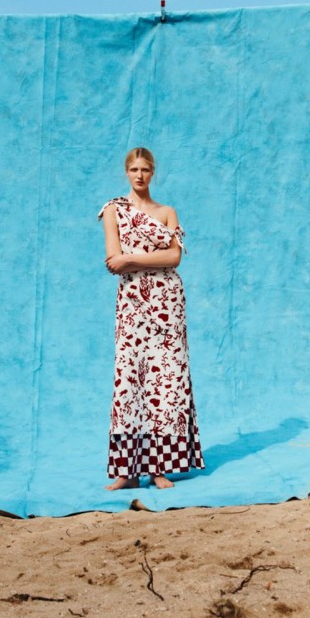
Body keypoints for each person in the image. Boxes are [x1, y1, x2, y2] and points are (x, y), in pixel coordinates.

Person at [98, 147, 205, 490]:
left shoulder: (167, 212)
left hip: (168, 303)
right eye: (134, 170)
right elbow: (113, 261)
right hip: (132, 303)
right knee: (130, 381)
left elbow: (174, 258)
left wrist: (131, 258)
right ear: (126, 172)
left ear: (153, 172)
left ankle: (159, 468)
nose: (139, 175)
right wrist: (140, 259)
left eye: (145, 170)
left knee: (166, 382)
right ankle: (127, 473)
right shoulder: (114, 210)